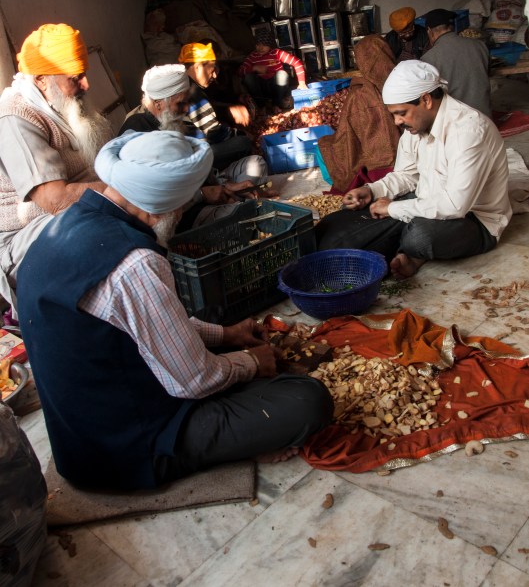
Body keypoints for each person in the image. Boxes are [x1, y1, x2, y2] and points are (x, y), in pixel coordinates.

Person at [17, 130, 333, 490]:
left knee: (212, 321)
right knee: (306, 400)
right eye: (182, 204)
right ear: (166, 205)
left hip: (82, 439)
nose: (181, 211)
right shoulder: (135, 264)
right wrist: (252, 362)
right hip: (126, 450)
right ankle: (234, 445)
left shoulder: (66, 225)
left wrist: (228, 335)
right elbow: (193, 381)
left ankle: (237, 421)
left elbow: (139, 323)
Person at [316, 60, 511, 280]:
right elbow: (407, 176)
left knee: (419, 237)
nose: (397, 122)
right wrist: (373, 190)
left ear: (426, 100)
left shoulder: (469, 130)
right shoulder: (414, 128)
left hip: (473, 220)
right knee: (332, 229)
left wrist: (393, 210)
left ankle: (414, 252)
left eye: (401, 113)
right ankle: (404, 248)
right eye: (394, 115)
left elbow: (455, 205)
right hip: (425, 201)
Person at [0, 23, 111, 310]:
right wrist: (118, 189)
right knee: (108, 234)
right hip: (20, 240)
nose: (86, 85)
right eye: (76, 78)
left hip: (71, 213)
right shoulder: (16, 115)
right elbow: (54, 200)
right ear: (40, 80)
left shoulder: (59, 102)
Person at [120, 64, 272, 229]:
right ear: (158, 104)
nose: (186, 109)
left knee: (256, 163)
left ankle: (238, 202)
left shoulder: (171, 121)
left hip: (201, 190)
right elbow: (152, 195)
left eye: (187, 103)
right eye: (180, 104)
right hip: (180, 215)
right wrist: (201, 195)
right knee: (238, 216)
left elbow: (194, 166)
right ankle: (237, 209)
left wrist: (222, 186)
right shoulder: (137, 130)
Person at [316, 35, 400, 194]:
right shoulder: (403, 81)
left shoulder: (359, 95)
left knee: (323, 146)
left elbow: (347, 134)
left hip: (375, 170)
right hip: (405, 161)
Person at [177, 42, 256, 171]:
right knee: (243, 143)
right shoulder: (193, 92)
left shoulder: (184, 84)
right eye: (212, 69)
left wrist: (229, 110)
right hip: (194, 155)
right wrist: (241, 133)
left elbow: (210, 109)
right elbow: (214, 133)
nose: (214, 76)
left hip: (186, 148)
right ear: (198, 67)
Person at [421, 8, 492, 118]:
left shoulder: (428, 58)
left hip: (457, 122)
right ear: (451, 28)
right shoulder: (480, 46)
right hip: (486, 117)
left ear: (429, 31)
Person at [240, 30, 308, 110]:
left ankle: (276, 104)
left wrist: (302, 83)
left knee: (282, 74)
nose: (260, 48)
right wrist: (254, 68)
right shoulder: (252, 57)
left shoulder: (276, 53)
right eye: (258, 44)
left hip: (277, 89)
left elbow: (297, 62)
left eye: (264, 45)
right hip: (261, 89)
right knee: (248, 77)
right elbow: (240, 71)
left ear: (270, 45)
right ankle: (262, 106)